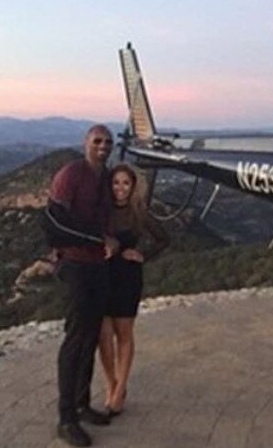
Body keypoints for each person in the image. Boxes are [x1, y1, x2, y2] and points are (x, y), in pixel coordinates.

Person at [44, 124, 119, 447]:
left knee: (90, 335)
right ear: (85, 143)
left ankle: (82, 403)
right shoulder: (71, 174)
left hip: (98, 265)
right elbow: (55, 223)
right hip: (74, 264)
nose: (103, 146)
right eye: (97, 141)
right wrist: (99, 239)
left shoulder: (106, 177)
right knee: (76, 337)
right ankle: (66, 418)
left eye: (108, 142)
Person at [98, 164, 169, 416]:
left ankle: (120, 390)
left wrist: (143, 255)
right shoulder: (102, 211)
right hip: (103, 276)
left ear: (133, 186)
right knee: (103, 336)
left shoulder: (139, 213)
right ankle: (111, 384)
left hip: (127, 277)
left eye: (125, 183)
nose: (120, 188)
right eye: (115, 183)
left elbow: (163, 238)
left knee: (123, 333)